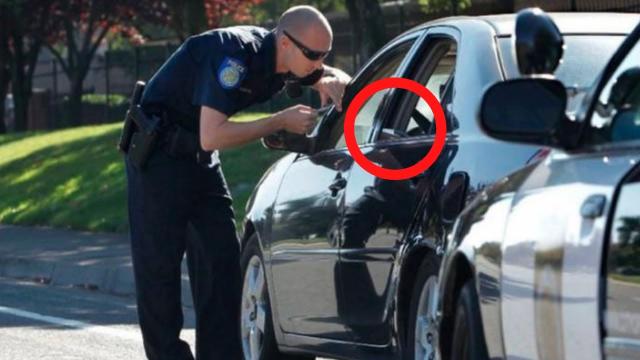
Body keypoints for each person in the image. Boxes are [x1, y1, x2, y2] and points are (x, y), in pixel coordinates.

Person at [123, 5, 351, 360]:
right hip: (158, 159)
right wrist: (279, 121)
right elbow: (211, 135)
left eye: (325, 54)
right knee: (159, 274)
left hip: (199, 163)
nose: (319, 62)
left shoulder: (287, 57)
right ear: (285, 42)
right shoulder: (234, 57)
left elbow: (322, 74)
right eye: (313, 54)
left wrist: (333, 78)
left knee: (223, 267)